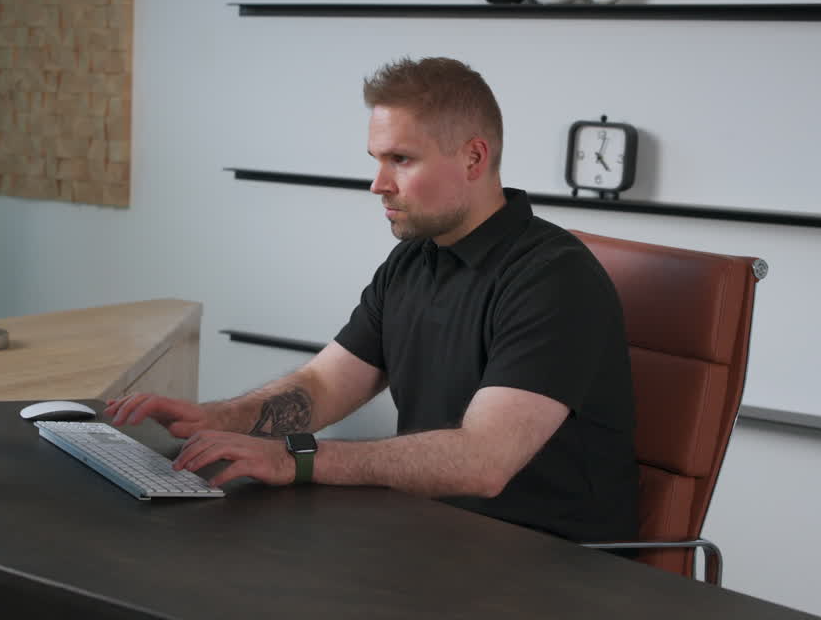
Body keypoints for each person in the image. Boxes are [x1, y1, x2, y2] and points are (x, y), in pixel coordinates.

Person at [107, 56, 638, 542]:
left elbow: (483, 461)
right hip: (437, 535)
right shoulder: (414, 260)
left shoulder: (553, 279)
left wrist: (295, 459)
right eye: (378, 159)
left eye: (401, 160)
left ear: (474, 157)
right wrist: (221, 418)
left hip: (554, 564)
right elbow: (323, 384)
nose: (378, 184)